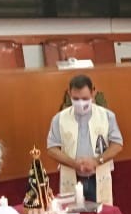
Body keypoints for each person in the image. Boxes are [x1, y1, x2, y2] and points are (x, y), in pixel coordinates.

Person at [46, 74, 123, 205]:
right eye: (76, 99)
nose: (81, 103)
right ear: (69, 93)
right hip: (72, 176)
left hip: (98, 176)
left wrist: (97, 161)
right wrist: (74, 163)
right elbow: (52, 148)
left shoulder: (107, 116)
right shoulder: (59, 119)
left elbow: (118, 144)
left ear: (93, 92)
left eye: (85, 98)